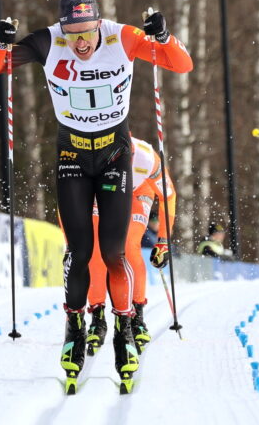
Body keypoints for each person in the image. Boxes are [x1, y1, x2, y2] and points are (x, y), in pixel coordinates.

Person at [0, 0, 192, 390]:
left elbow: (181, 65)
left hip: (115, 153)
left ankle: (125, 328)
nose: (80, 42)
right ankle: (75, 325)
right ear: (63, 28)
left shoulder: (122, 37)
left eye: (86, 31)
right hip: (72, 155)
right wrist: (1, 42)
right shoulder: (47, 42)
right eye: (72, 32)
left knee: (115, 251)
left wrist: (163, 38)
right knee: (79, 252)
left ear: (99, 23)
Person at [84, 136, 176, 356]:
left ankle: (137, 316)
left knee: (128, 244)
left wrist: (163, 240)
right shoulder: (92, 154)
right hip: (104, 190)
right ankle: (97, 316)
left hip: (138, 191)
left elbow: (169, 197)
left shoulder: (147, 158)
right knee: (96, 247)